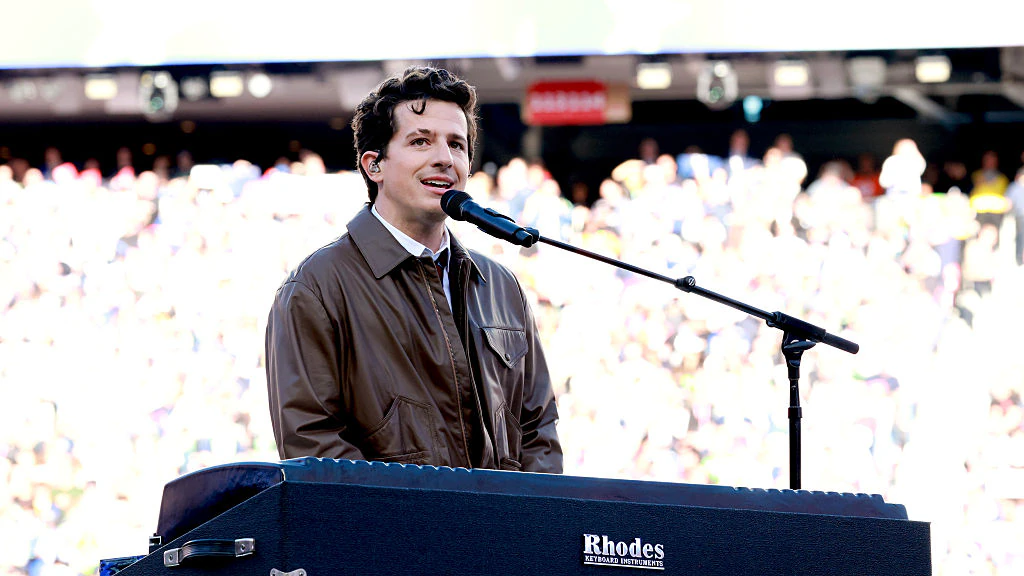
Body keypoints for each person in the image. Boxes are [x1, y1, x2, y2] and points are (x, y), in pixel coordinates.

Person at [265, 66, 562, 473]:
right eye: (421, 141)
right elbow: (314, 448)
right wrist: (423, 529)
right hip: (397, 536)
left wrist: (515, 530)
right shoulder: (316, 289)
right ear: (374, 166)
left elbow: (538, 431)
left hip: (502, 535)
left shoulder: (501, 285)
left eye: (457, 145)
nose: (444, 158)